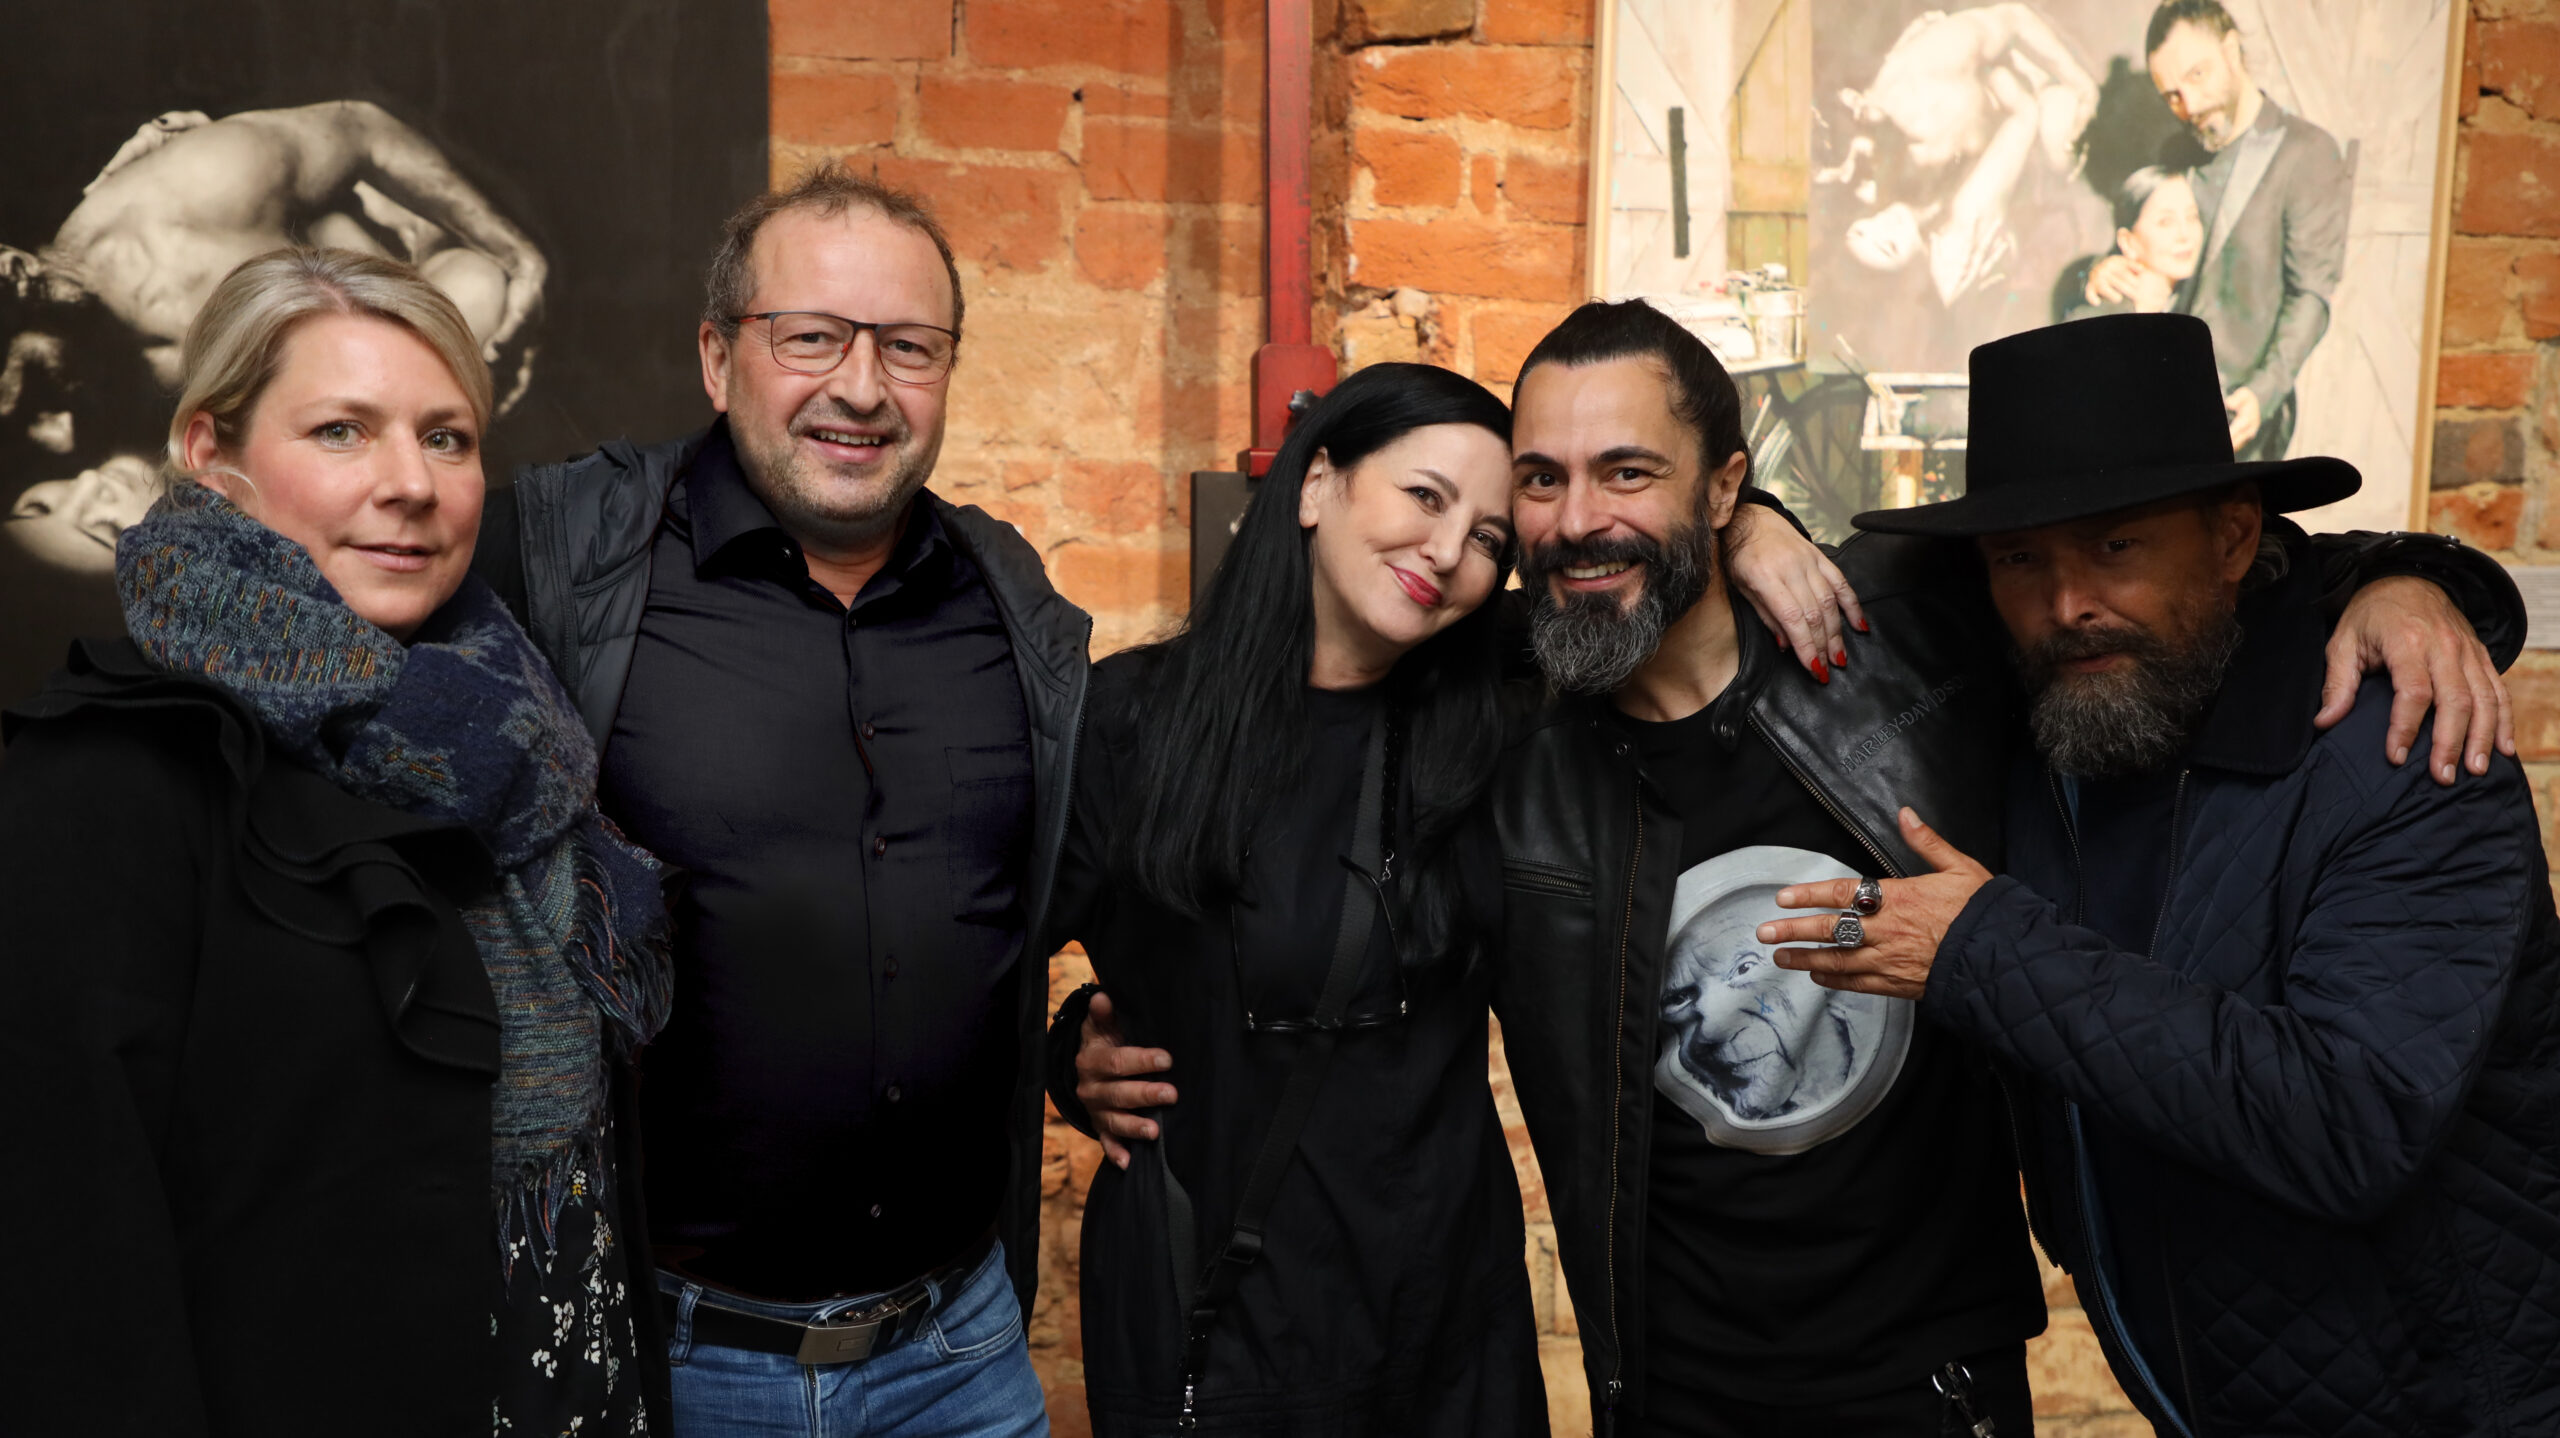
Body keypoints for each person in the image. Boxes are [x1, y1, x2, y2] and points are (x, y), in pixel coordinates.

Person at [1079, 299, 2520, 1436]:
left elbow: (2194, 587)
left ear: (1723, 487)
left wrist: (2410, 584)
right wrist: (1072, 1043)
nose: (1576, 517)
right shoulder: (1502, 717)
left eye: (1629, 471)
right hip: (1664, 1383)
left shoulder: (1915, 639)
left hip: (1929, 1379)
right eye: (1542, 482)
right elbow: (1269, 891)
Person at [1773, 311, 2560, 1436]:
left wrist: (1980, 950)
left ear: (2234, 539)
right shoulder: (2064, 713)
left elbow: (2350, 1123)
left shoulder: (2404, 749)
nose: (2066, 603)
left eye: (2117, 547)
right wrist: (1746, 527)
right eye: (2019, 559)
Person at [0, 247, 670, 1435]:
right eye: (342, 431)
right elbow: (72, 1280)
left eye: (446, 437)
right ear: (210, 452)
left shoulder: (521, 731)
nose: (411, 483)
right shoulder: (110, 779)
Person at [473, 163, 1074, 1436]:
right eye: (811, 337)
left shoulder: (1009, 599)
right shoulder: (566, 557)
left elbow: (1039, 891)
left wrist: (1089, 1042)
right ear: (717, 356)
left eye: (908, 346)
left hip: (960, 1357)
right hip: (678, 1360)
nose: (862, 386)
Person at [1037, 363, 1544, 1433]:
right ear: (1316, 485)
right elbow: (966, 967)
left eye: (1490, 538)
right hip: (1224, 1336)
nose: (1448, 551)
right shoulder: (1133, 725)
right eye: (1424, 495)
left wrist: (1755, 529)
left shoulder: (1489, 723)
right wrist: (1066, 1056)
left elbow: (1647, 589)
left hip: (1448, 1333)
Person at [3, 101, 547, 577]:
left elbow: (363, 129)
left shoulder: (182, 202)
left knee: (478, 293)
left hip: (403, 265)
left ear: (17, 268)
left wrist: (518, 258)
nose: (47, 430)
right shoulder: (73, 429)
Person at [2085, 1, 2349, 459]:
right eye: (2171, 95)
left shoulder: (2308, 152)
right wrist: (2104, 269)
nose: (2189, 105)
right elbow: (2143, 240)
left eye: (2197, 75)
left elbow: (2311, 294)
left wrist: (2264, 393)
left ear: (2231, 49)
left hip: (2234, 424)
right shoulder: (2177, 150)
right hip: (2153, 410)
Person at [2058, 166, 2202, 321]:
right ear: (2128, 242)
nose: (2185, 234)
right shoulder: (2097, 316)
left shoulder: (2195, 296)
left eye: (2192, 216)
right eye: (2166, 222)